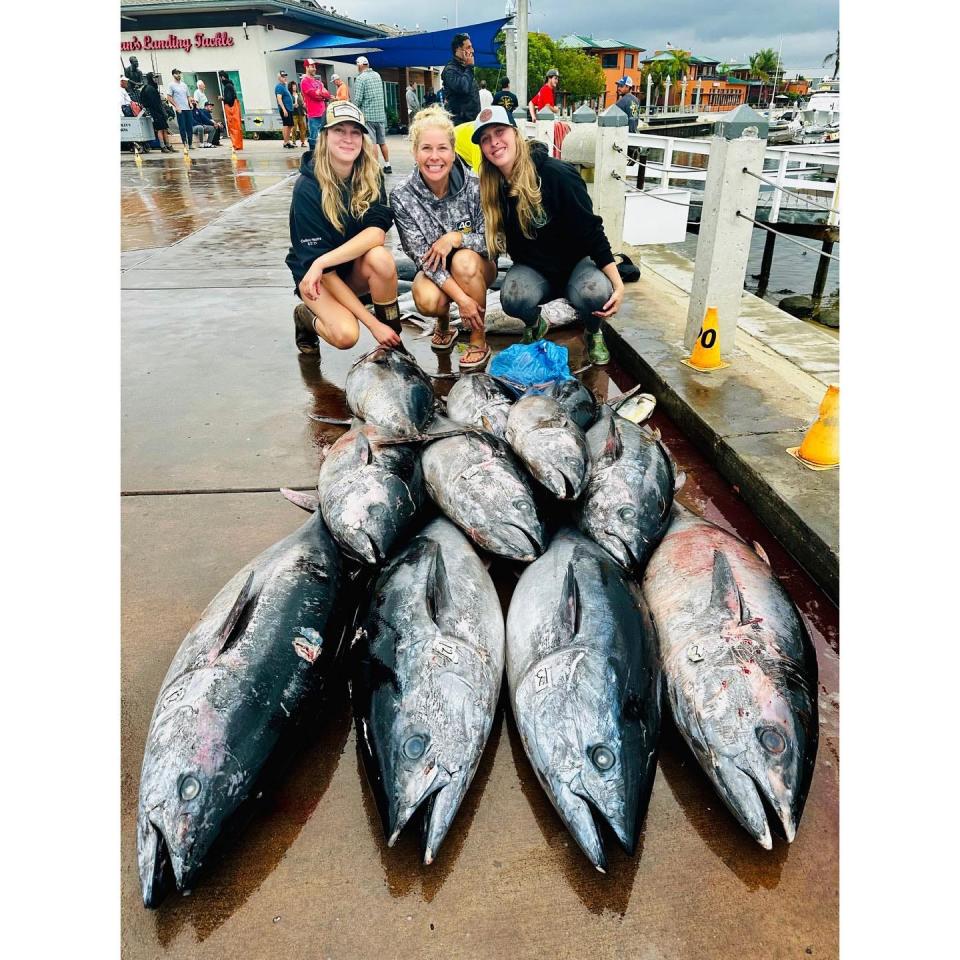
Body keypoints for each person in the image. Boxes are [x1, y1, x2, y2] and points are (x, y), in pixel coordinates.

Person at [474, 105, 624, 366]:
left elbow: (591, 230)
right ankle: (536, 324)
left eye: (500, 132)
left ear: (516, 133)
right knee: (512, 298)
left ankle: (593, 330)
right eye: (485, 139)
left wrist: (618, 283)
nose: (494, 142)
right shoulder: (492, 188)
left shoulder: (557, 174)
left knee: (597, 293)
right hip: (534, 270)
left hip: (575, 265)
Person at [286, 100, 402, 357]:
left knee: (381, 259)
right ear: (325, 136)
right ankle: (307, 317)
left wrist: (323, 261)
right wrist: (374, 325)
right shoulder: (307, 188)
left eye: (355, 132)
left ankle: (395, 345)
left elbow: (376, 234)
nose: (348, 139)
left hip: (346, 268)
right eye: (339, 130)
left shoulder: (372, 175)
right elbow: (325, 273)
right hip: (318, 279)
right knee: (346, 335)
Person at [390, 105, 494, 370]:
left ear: (453, 150)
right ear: (415, 152)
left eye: (442, 148)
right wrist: (462, 300)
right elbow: (422, 258)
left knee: (464, 263)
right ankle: (444, 323)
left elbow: (495, 242)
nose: (434, 157)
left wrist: (457, 238)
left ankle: (478, 338)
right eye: (426, 148)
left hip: (478, 267)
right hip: (434, 269)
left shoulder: (475, 185)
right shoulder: (401, 196)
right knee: (426, 300)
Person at [352, 57, 391, 174]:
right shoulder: (377, 75)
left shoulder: (360, 78)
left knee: (372, 143)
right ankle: (388, 165)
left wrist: (354, 110)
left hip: (368, 115)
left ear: (359, 65)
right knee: (382, 142)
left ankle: (376, 168)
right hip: (380, 115)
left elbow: (358, 99)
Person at [441, 32, 480, 126]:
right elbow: (463, 88)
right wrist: (470, 67)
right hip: (459, 124)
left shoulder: (465, 68)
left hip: (472, 122)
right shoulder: (450, 70)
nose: (472, 50)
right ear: (458, 49)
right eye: (468, 47)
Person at [301, 59, 333, 151]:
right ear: (307, 67)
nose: (315, 68)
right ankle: (312, 160)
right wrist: (321, 94)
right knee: (314, 138)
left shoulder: (318, 82)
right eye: (312, 66)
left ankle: (322, 160)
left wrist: (321, 94)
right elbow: (315, 95)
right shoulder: (305, 81)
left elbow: (327, 95)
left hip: (323, 114)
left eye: (315, 66)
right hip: (313, 115)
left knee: (324, 138)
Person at [140, 72, 175, 152]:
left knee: (165, 128)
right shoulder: (149, 89)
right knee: (160, 129)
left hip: (160, 111)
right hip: (155, 112)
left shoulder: (153, 87)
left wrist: (163, 112)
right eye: (154, 78)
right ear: (150, 78)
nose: (155, 79)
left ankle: (168, 145)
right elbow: (152, 102)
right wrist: (159, 111)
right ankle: (162, 146)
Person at [168, 68, 194, 150]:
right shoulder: (171, 85)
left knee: (189, 126)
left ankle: (190, 143)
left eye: (179, 73)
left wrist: (190, 103)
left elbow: (188, 96)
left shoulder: (184, 85)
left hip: (187, 108)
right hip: (180, 109)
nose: (178, 75)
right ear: (173, 75)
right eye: (176, 73)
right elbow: (169, 97)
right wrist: (176, 106)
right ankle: (184, 143)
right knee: (182, 127)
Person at [219, 71, 243, 150]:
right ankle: (238, 144)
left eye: (220, 78)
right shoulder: (231, 85)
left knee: (233, 127)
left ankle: (236, 145)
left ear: (222, 77)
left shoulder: (227, 86)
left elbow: (229, 100)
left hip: (231, 110)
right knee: (237, 127)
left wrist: (222, 98)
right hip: (235, 109)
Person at [275, 70, 295, 148]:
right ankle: (285, 142)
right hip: (285, 109)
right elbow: (279, 99)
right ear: (279, 78)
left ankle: (287, 141)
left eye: (285, 76)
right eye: (283, 76)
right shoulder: (279, 86)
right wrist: (284, 109)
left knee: (290, 125)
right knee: (286, 125)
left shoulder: (284, 86)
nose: (285, 78)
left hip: (289, 108)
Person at [289, 80, 308, 147]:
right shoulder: (289, 95)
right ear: (290, 87)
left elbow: (303, 103)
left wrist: (305, 109)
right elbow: (288, 104)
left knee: (303, 128)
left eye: (295, 86)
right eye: (293, 86)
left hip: (301, 113)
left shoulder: (299, 94)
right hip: (294, 114)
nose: (294, 87)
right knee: (294, 128)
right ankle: (293, 142)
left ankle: (303, 142)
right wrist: (293, 105)